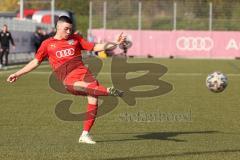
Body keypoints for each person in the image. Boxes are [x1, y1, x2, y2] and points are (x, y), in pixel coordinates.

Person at [7, 16, 125, 144]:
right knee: (85, 87)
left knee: (93, 98)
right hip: (69, 79)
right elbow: (35, 62)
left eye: (70, 29)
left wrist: (115, 43)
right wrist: (17, 74)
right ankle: (108, 91)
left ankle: (85, 135)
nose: (69, 32)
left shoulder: (76, 39)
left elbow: (95, 47)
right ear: (58, 27)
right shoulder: (47, 44)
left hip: (84, 73)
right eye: (66, 29)